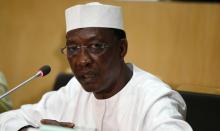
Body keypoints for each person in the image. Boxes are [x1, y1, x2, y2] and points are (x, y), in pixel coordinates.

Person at [0, 2, 193, 131]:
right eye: (73, 48)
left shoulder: (154, 98)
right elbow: (6, 120)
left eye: (95, 46)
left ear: (121, 48)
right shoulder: (74, 90)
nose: (82, 59)